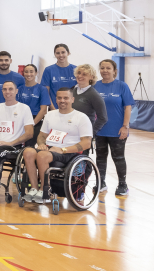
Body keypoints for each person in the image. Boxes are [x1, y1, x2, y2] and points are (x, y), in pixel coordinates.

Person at [23, 88, 93, 203]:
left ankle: (44, 190)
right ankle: (34, 189)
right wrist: (41, 144)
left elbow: (86, 142)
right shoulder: (50, 115)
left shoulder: (81, 117)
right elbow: (41, 136)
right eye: (59, 98)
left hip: (69, 152)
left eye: (66, 98)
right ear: (56, 99)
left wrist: (63, 149)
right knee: (28, 152)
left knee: (42, 156)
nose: (62, 100)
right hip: (50, 149)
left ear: (72, 99)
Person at [0, 81, 34, 195]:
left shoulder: (24, 108)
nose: (7, 92)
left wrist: (11, 143)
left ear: (16, 91)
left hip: (14, 146)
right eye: (4, 89)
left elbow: (29, 133)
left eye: (10, 89)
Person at [94, 59, 134, 196]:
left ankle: (122, 185)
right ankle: (101, 182)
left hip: (117, 130)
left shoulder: (122, 86)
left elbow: (128, 107)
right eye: (102, 68)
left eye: (108, 68)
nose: (105, 70)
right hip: (99, 129)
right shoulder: (95, 86)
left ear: (114, 71)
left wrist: (125, 126)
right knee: (100, 157)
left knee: (118, 158)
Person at [18, 64, 50, 147]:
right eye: (26, 72)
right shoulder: (19, 89)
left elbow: (43, 110)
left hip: (35, 120)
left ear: (36, 73)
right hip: (20, 120)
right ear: (23, 73)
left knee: (29, 146)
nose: (29, 74)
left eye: (31, 71)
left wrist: (32, 124)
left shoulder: (42, 89)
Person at [71, 63, 108, 136]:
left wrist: (91, 133)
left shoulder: (94, 95)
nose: (80, 76)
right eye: (79, 73)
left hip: (83, 134)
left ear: (91, 77)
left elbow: (103, 118)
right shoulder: (71, 90)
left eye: (84, 74)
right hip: (70, 131)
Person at [41, 43, 76, 109]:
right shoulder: (49, 70)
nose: (61, 55)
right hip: (55, 109)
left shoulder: (76, 70)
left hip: (73, 110)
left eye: (63, 52)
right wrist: (53, 109)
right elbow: (46, 93)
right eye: (58, 53)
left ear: (68, 53)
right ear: (55, 55)